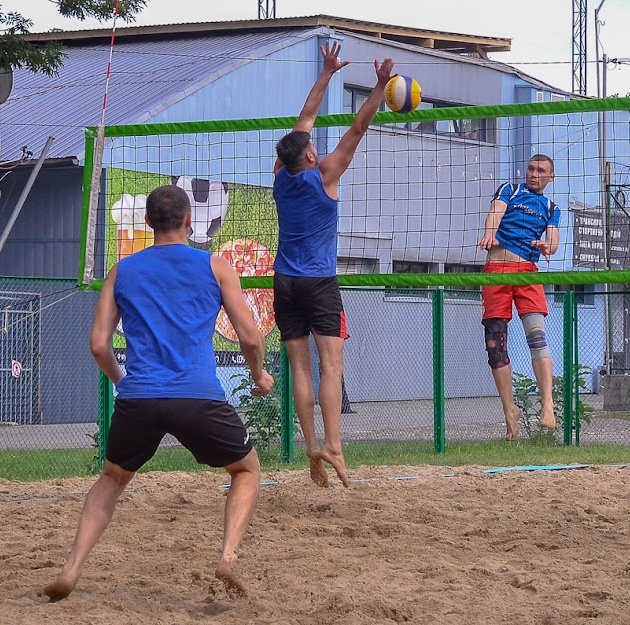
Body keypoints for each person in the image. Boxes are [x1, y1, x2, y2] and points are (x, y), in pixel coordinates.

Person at [40, 185, 274, 602]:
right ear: (189, 222)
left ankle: (71, 569)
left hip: (139, 398)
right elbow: (251, 337)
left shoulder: (123, 270)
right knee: (247, 471)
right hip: (197, 397)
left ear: (147, 224)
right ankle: (227, 556)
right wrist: (258, 375)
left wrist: (122, 382)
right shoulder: (216, 267)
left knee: (111, 479)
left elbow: (98, 344)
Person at [272, 40, 393, 487]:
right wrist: (379, 86)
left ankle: (310, 449)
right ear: (308, 156)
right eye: (312, 145)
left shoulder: (281, 177)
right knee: (331, 368)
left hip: (284, 282)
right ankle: (335, 446)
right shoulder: (325, 176)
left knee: (300, 370)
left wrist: (326, 73)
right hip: (319, 283)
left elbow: (303, 121)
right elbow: (358, 128)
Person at [477, 154, 561, 441]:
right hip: (497, 269)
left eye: (540, 171)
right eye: (531, 169)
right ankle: (509, 411)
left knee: (536, 338)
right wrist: (489, 234)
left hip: (526, 270)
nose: (534, 174)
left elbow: (553, 241)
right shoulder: (510, 190)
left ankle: (547, 404)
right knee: (495, 345)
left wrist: (546, 246)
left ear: (551, 178)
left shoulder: (551, 208)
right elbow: (495, 213)